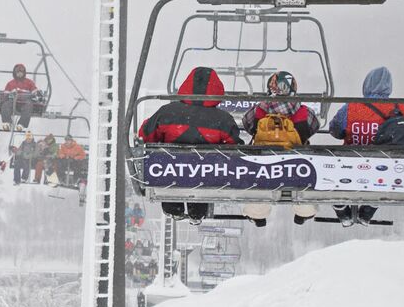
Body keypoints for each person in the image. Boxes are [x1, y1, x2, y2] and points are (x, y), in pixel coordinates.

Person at [136, 66, 239, 223]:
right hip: (206, 173)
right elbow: (235, 149)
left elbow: (146, 134)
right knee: (206, 177)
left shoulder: (167, 112)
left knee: (167, 169)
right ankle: (197, 212)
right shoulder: (223, 120)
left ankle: (173, 208)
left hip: (169, 171)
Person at [324, 65, 404, 225]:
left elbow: (335, 130)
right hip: (382, 166)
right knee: (383, 176)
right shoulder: (399, 108)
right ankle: (368, 210)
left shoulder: (352, 107)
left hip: (349, 163)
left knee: (337, 171)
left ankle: (342, 209)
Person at [243, 69, 319, 226]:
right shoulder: (302, 111)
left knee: (259, 183)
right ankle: (303, 213)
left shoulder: (260, 109)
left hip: (263, 162)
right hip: (295, 163)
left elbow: (248, 125)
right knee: (303, 183)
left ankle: (258, 214)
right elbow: (312, 128)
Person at [0, 62, 39, 129]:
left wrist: (34, 94)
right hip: (13, 102)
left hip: (24, 102)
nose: (20, 73)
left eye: (21, 72)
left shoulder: (29, 82)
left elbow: (34, 92)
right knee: (5, 105)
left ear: (24, 73)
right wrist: (6, 96)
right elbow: (5, 94)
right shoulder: (11, 83)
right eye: (18, 72)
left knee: (29, 105)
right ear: (15, 73)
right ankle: (7, 122)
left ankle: (21, 124)